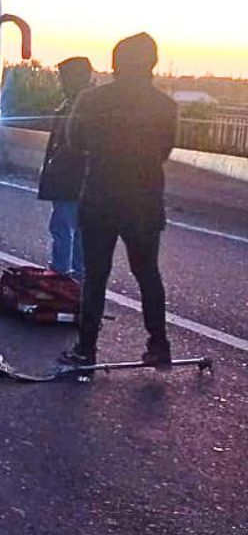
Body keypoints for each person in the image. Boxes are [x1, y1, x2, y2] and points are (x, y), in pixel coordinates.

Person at [61, 33, 178, 367]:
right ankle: (159, 345)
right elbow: (165, 152)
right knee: (148, 273)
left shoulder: (91, 99)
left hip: (100, 196)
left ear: (116, 62)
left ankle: (86, 348)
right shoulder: (165, 105)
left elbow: (75, 141)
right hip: (144, 200)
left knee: (95, 275)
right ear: (151, 63)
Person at [37, 57, 93, 280]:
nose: (61, 83)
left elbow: (69, 146)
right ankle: (79, 278)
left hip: (70, 178)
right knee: (78, 230)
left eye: (64, 78)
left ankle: (60, 274)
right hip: (79, 179)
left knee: (63, 227)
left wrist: (53, 167)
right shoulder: (84, 105)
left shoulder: (79, 107)